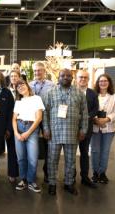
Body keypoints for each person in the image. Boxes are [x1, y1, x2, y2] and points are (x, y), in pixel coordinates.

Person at [43, 68, 88, 196]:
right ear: (58, 77)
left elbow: (84, 113)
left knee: (71, 160)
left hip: (72, 132)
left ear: (72, 78)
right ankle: (52, 183)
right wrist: (46, 129)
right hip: (54, 133)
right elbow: (45, 112)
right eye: (63, 75)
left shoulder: (79, 93)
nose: (65, 78)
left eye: (68, 76)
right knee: (52, 160)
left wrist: (83, 130)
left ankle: (69, 183)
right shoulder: (50, 93)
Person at [12, 80, 45, 193]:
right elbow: (14, 119)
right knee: (21, 158)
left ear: (27, 86)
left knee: (32, 158)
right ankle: (24, 180)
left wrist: (28, 132)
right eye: (18, 86)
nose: (20, 87)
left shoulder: (36, 99)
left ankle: (31, 181)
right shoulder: (18, 101)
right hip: (19, 127)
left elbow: (39, 118)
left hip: (32, 129)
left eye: (22, 85)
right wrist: (16, 133)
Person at [28, 61, 55, 182]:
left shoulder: (51, 85)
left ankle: (47, 173)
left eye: (39, 70)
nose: (37, 73)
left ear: (44, 71)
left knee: (48, 146)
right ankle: (31, 173)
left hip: (46, 118)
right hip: (32, 118)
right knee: (32, 146)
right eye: (35, 71)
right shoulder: (29, 85)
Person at [91, 74, 115, 184]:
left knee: (105, 151)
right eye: (101, 81)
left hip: (109, 128)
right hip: (94, 126)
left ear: (109, 83)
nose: (103, 83)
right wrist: (97, 120)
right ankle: (94, 173)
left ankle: (102, 173)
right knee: (95, 150)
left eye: (105, 81)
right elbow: (90, 109)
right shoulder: (93, 95)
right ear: (98, 83)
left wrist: (106, 120)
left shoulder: (114, 96)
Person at [76, 70, 99, 188]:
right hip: (72, 128)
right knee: (70, 154)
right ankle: (70, 177)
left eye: (85, 77)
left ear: (89, 79)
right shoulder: (70, 91)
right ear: (76, 78)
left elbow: (96, 108)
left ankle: (85, 177)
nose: (83, 79)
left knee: (84, 153)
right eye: (81, 77)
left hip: (86, 128)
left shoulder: (93, 94)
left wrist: (87, 117)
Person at [5, 70, 20, 182]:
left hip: (22, 122)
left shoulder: (23, 90)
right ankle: (12, 173)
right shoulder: (6, 91)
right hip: (9, 123)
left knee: (23, 151)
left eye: (16, 76)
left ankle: (25, 174)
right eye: (12, 76)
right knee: (12, 149)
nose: (13, 78)